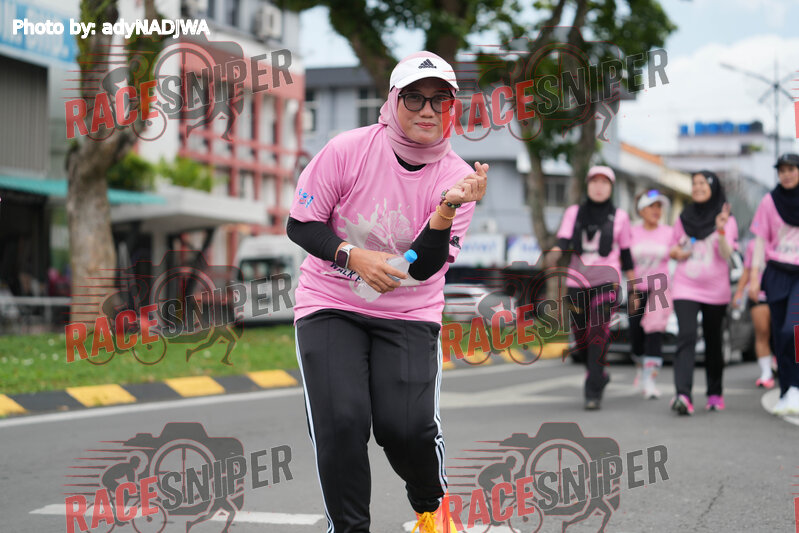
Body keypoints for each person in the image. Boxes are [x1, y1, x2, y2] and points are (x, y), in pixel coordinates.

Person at [286, 51, 488, 533]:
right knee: (341, 422)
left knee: (406, 429)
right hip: (331, 302)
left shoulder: (458, 179)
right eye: (414, 98)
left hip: (410, 312)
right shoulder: (348, 150)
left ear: (452, 108)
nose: (427, 110)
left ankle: (430, 509)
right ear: (393, 101)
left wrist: (445, 208)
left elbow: (427, 265)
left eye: (440, 100)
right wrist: (351, 256)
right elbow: (301, 224)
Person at [547, 166, 635, 410]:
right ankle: (600, 373)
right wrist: (555, 251)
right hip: (577, 282)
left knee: (597, 331)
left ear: (611, 188)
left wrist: (635, 287)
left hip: (607, 281)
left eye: (604, 182)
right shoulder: (574, 212)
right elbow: (563, 239)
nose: (599, 187)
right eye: (594, 181)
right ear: (587, 185)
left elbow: (626, 254)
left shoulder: (620, 217)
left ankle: (592, 391)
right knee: (581, 337)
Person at [669, 171, 737, 415]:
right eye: (694, 183)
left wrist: (720, 230)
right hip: (685, 286)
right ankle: (683, 395)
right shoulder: (684, 217)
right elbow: (672, 249)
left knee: (713, 340)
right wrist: (678, 252)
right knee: (686, 336)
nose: (697, 187)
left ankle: (715, 393)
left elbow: (727, 254)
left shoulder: (726, 218)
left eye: (702, 183)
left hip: (715, 290)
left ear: (713, 187)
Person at [749, 153, 799, 415]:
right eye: (782, 170)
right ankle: (786, 392)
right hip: (776, 272)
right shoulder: (770, 201)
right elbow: (760, 240)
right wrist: (754, 277)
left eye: (791, 169)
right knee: (779, 334)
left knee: (793, 329)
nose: (786, 174)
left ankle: (796, 387)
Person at [628, 190, 673, 399]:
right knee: (635, 335)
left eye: (659, 207)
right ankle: (640, 364)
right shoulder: (631, 232)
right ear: (641, 210)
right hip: (636, 287)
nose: (656, 210)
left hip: (660, 288)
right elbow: (624, 259)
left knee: (654, 331)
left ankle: (650, 380)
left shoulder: (669, 233)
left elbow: (679, 252)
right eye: (651, 206)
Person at [732, 239, 774, 388]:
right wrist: (739, 292)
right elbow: (747, 271)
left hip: (785, 293)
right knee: (762, 331)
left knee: (787, 333)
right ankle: (766, 372)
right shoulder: (753, 245)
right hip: (759, 294)